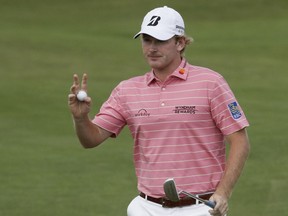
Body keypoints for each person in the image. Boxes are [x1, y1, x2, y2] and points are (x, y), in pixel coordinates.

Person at [68, 6, 250, 216]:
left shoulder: (210, 83)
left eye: (160, 40)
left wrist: (223, 193)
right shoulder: (127, 90)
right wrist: (81, 118)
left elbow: (240, 141)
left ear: (180, 43)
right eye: (147, 40)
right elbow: (91, 140)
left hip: (200, 208)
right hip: (146, 208)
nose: (152, 48)